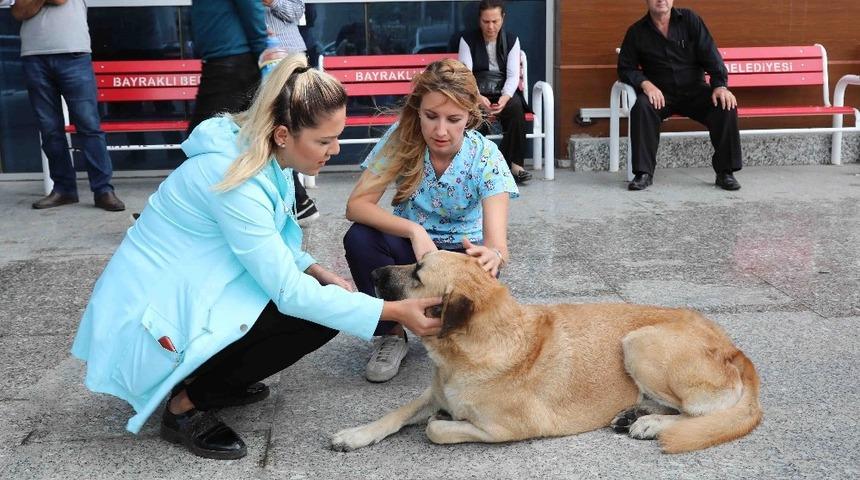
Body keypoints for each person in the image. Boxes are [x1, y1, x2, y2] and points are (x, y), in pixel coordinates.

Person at [71, 55, 443, 460]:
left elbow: (269, 245)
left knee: (320, 297)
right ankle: (185, 407)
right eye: (324, 141)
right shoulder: (236, 181)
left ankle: (214, 377)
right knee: (311, 315)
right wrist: (393, 311)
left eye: (337, 137)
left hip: (191, 288)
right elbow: (287, 291)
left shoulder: (263, 153)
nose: (335, 150)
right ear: (284, 133)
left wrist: (315, 268)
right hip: (150, 315)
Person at [343, 59, 519, 383]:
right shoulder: (402, 140)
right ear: (417, 110)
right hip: (411, 251)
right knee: (359, 238)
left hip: (461, 257)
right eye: (431, 116)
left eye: (453, 119)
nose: (441, 131)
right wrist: (414, 230)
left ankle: (455, 331)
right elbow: (356, 205)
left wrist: (492, 256)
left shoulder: (486, 158)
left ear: (470, 115)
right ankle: (392, 333)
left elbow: (498, 246)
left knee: (481, 274)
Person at [618, 0, 742, 191]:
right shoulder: (636, 32)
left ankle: (725, 172)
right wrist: (646, 84)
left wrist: (720, 86)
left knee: (725, 105)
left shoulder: (690, 20)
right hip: (660, 95)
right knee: (642, 107)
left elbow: (711, 54)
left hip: (695, 91)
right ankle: (643, 173)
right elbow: (625, 68)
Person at [12, 0, 125, 211]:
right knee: (49, 129)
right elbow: (19, 12)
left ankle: (103, 190)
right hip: (34, 57)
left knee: (88, 126)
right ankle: (64, 190)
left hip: (74, 53)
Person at [457, 0, 531, 185]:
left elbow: (513, 75)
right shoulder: (467, 40)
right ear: (479, 20)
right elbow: (466, 74)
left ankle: (514, 165)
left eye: (495, 21)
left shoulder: (512, 40)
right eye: (486, 21)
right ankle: (477, 167)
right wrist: (479, 98)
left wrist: (505, 99)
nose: (491, 26)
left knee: (516, 109)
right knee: (475, 113)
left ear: (503, 19)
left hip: (503, 91)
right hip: (476, 92)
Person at [263, 0, 320, 225]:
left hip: (287, 55)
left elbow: (297, 11)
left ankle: (298, 201)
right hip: (259, 55)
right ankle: (297, 200)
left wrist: (272, 1)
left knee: (287, 122)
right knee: (271, 125)